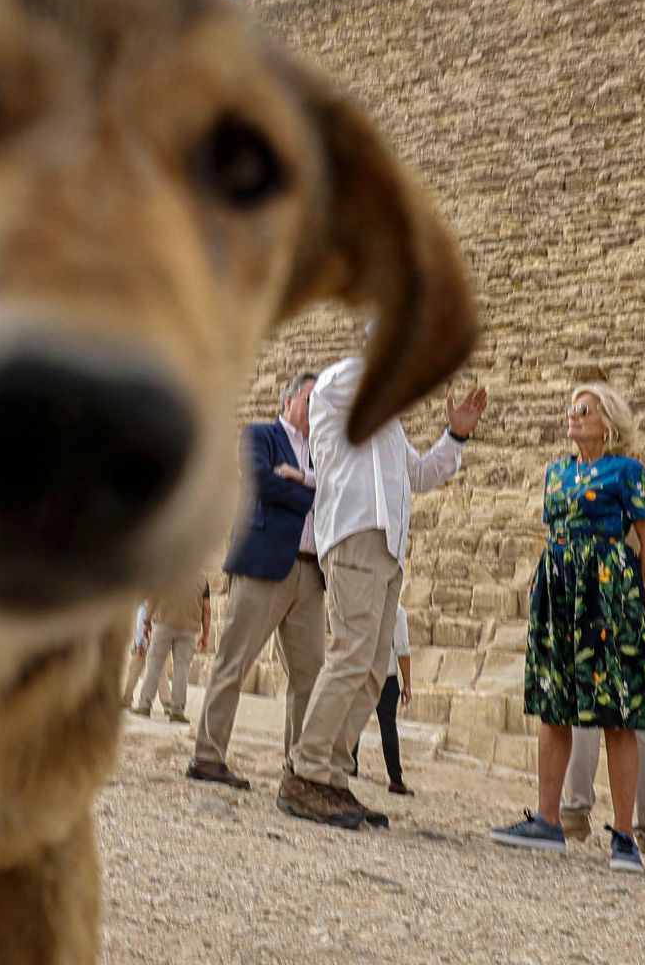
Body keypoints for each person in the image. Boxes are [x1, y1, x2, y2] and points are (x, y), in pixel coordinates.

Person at [277, 342, 487, 831]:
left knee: (373, 668)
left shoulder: (388, 428)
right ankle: (306, 770)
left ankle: (330, 775)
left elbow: (418, 474)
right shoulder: (336, 387)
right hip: (354, 536)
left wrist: (455, 436)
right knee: (351, 652)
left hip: (387, 548)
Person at [491, 383, 645, 876]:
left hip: (607, 590)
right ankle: (548, 820)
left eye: (582, 410)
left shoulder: (628, 471)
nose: (572, 416)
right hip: (561, 585)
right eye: (570, 409)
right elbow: (554, 529)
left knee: (618, 713)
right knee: (554, 702)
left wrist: (630, 598)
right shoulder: (558, 471)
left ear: (608, 420)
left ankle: (625, 837)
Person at [190, 373, 327, 791]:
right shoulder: (260, 435)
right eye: (310, 398)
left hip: (311, 572)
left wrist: (301, 482)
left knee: (311, 674)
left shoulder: (323, 451)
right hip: (263, 565)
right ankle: (208, 756)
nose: (317, 406)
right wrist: (316, 494)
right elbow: (262, 482)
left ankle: (300, 766)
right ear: (287, 400)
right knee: (234, 662)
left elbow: (338, 493)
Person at [559, 512, 645, 876]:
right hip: (644, 626)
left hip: (591, 620)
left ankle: (574, 810)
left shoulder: (582, 508)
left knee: (584, 714)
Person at [354, 601, 414, 796]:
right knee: (388, 726)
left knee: (354, 723)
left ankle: (349, 768)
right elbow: (402, 649)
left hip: (360, 670)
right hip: (385, 675)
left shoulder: (361, 603)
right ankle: (395, 779)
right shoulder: (396, 610)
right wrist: (407, 683)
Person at [134, 579, 210, 721]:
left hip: (164, 624)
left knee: (154, 664)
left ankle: (144, 705)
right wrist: (205, 634)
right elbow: (206, 610)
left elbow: (153, 598)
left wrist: (147, 621)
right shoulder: (202, 581)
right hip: (189, 629)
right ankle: (177, 711)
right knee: (182, 668)